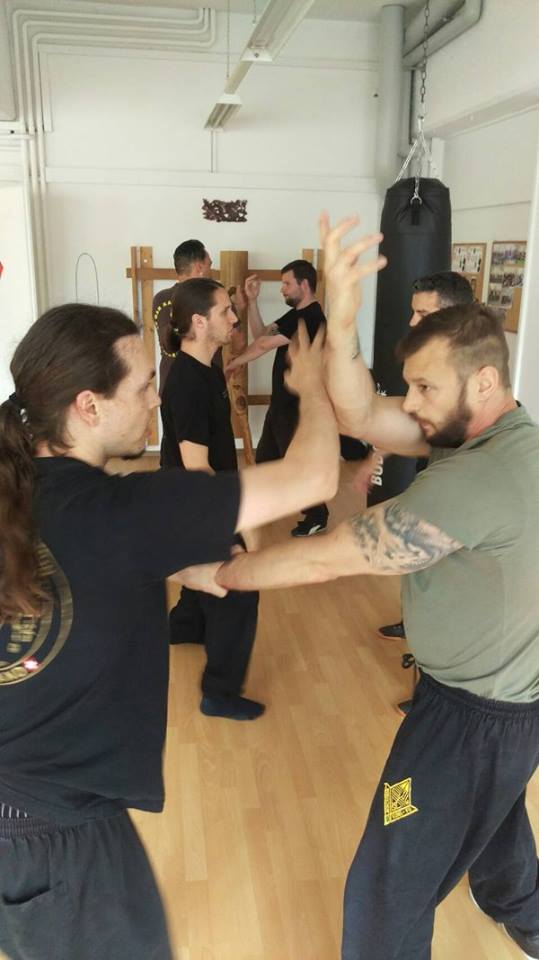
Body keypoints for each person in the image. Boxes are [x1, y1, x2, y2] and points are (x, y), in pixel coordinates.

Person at [218, 214, 539, 960]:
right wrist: (342, 312)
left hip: (470, 719)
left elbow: (330, 558)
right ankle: (524, 909)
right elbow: (359, 410)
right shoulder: (489, 432)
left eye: (424, 387)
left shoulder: (475, 479)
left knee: (387, 877)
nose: (412, 403)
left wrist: (226, 572)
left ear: (484, 379)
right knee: (495, 814)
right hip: (495, 705)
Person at [0, 301, 339, 959]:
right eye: (144, 385)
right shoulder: (123, 511)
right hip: (52, 836)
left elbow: (75, 563)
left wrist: (174, 565)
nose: (157, 398)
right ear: (88, 407)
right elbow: (315, 476)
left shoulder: (26, 493)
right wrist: (311, 389)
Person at [160, 278, 262, 721]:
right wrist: (237, 517)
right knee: (239, 587)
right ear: (199, 323)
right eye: (226, 311)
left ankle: (186, 625)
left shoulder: (205, 367)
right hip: (195, 501)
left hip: (191, 499)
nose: (234, 318)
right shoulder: (186, 382)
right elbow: (197, 468)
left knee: (203, 575)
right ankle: (219, 693)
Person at [378, 271, 474, 646]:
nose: (411, 322)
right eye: (412, 312)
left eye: (422, 314)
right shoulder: (430, 361)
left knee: (448, 571)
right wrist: (378, 452)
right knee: (422, 563)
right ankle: (414, 624)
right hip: (435, 465)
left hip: (461, 482)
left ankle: (435, 649)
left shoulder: (469, 370)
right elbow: (413, 417)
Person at [226, 259, 329, 537]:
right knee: (266, 459)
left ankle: (317, 515)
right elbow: (262, 333)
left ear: (304, 285)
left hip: (297, 406)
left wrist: (234, 364)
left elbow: (262, 344)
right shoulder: (295, 316)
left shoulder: (311, 318)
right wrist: (253, 301)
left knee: (297, 465)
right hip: (281, 403)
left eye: (286, 284)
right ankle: (264, 506)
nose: (282, 289)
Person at [152, 238, 212, 391]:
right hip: (205, 387)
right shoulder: (212, 298)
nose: (211, 271)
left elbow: (168, 345)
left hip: (169, 387)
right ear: (199, 267)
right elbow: (237, 341)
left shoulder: (160, 298)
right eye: (209, 265)